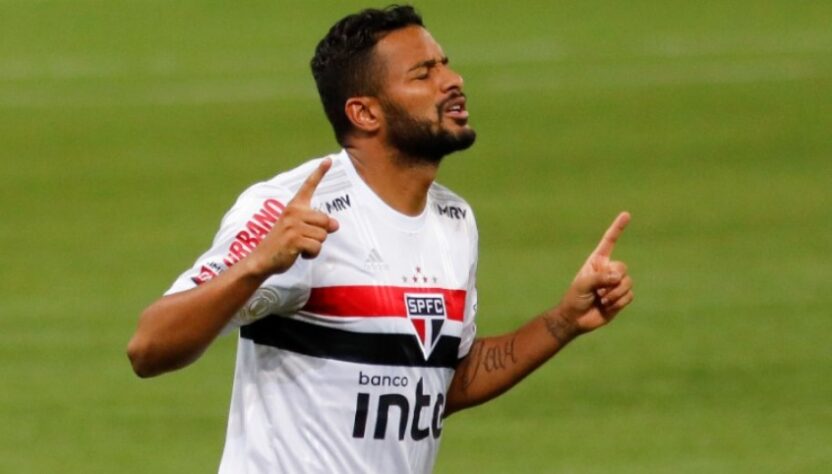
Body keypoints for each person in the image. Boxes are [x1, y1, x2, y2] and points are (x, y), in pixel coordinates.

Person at [127, 5, 634, 473]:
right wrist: (258, 265)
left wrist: (563, 321)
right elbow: (148, 348)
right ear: (364, 113)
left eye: (444, 64)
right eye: (424, 73)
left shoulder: (454, 219)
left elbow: (439, 380)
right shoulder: (295, 209)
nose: (453, 81)